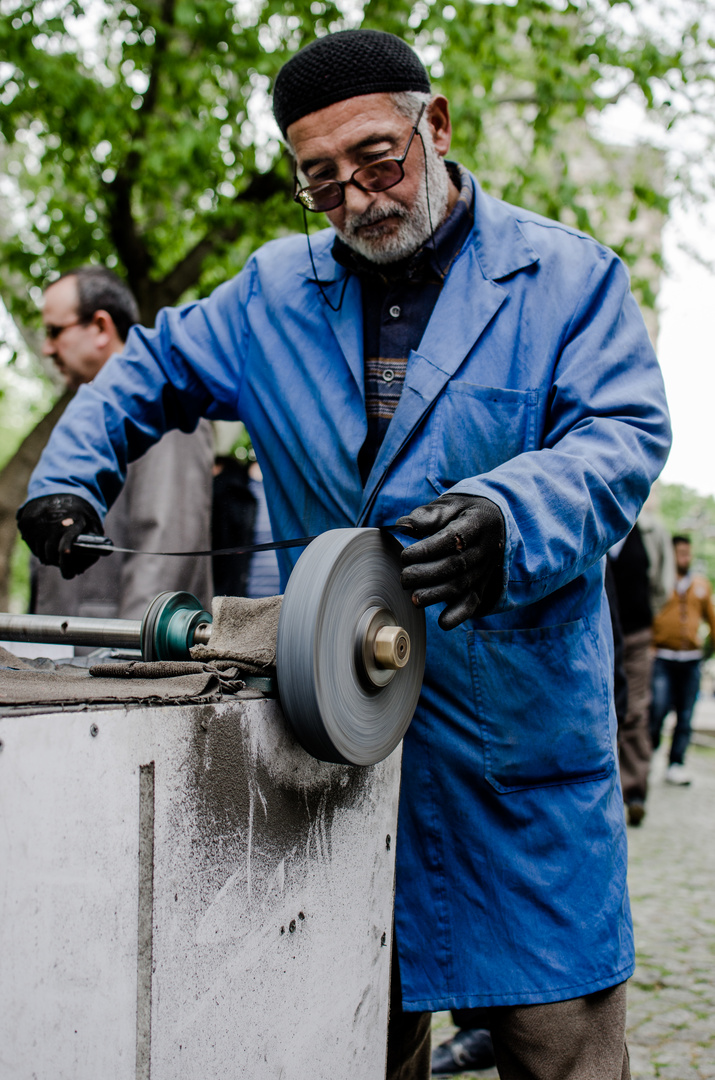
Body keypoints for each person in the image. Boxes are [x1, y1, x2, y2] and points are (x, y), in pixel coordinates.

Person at [16, 31, 671, 1080]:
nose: (358, 198)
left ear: (437, 125)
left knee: (564, 1051)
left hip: (519, 750)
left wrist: (509, 513)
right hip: (341, 739)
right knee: (350, 1033)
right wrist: (70, 472)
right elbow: (145, 372)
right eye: (321, 183)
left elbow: (622, 438)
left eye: (378, 160)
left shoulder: (567, 279)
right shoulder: (269, 293)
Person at [32, 267, 213, 621]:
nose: (46, 347)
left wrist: (127, 666)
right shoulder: (81, 413)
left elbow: (162, 555)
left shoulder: (165, 407)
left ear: (100, 327)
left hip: (115, 663)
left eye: (55, 331)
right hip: (68, 661)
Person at [609, 508, 674, 824]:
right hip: (598, 634)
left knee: (635, 709)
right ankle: (605, 787)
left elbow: (663, 584)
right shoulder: (593, 519)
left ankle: (633, 790)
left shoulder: (650, 530)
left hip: (635, 634)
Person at [649, 534, 715, 785]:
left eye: (688, 553)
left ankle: (676, 763)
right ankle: (649, 753)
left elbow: (712, 618)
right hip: (662, 656)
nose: (684, 558)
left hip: (691, 658)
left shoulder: (700, 585)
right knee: (658, 708)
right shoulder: (661, 582)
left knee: (686, 715)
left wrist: (710, 648)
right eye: (680, 553)